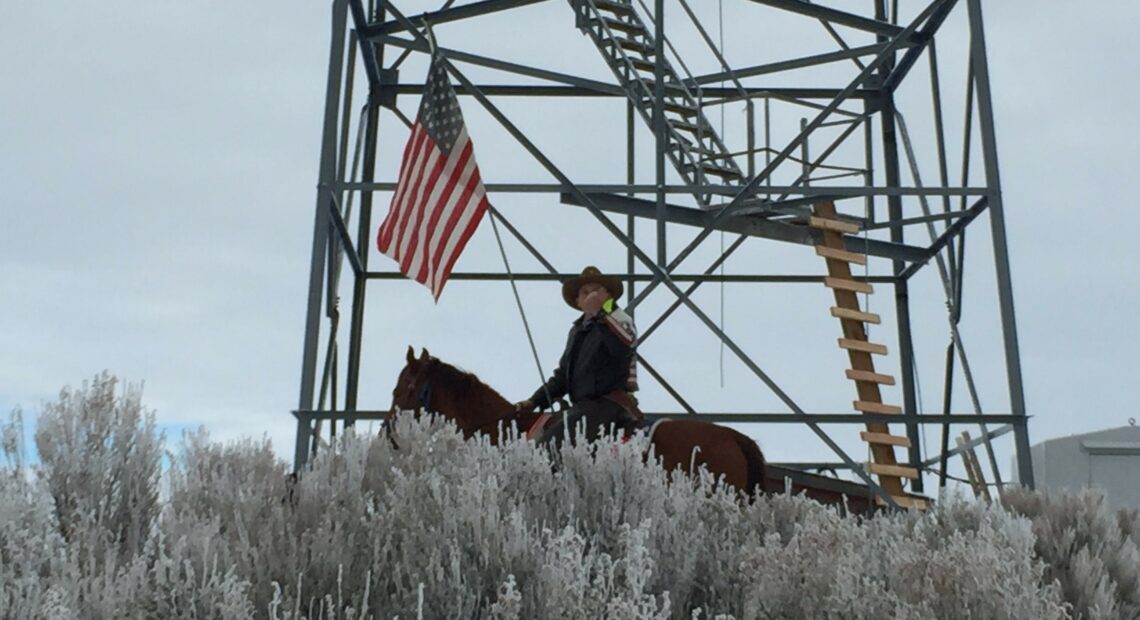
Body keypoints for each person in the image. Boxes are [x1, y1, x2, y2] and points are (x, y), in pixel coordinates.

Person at [515, 266, 642, 445]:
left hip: (610, 403)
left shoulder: (620, 319)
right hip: (584, 407)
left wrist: (600, 313)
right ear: (578, 301)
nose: (591, 295)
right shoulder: (577, 331)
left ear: (609, 296)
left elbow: (622, 350)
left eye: (597, 290)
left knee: (552, 444)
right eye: (585, 292)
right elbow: (563, 377)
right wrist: (534, 401)